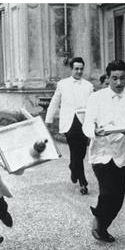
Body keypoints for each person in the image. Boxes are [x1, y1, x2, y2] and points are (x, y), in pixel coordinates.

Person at [83, 59, 125, 242]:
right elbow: (88, 123)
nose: (119, 83)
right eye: (114, 78)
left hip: (123, 153)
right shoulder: (96, 98)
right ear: (108, 78)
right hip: (102, 152)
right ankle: (99, 224)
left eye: (122, 78)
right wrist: (94, 131)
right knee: (107, 191)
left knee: (118, 198)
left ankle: (102, 223)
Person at [45, 56, 93, 195]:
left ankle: (73, 166)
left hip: (83, 122)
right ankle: (83, 182)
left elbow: (93, 105)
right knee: (74, 150)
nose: (79, 71)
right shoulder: (63, 84)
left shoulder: (88, 86)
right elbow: (55, 102)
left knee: (81, 152)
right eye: (76, 69)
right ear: (71, 69)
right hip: (69, 123)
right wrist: (48, 120)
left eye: (81, 69)